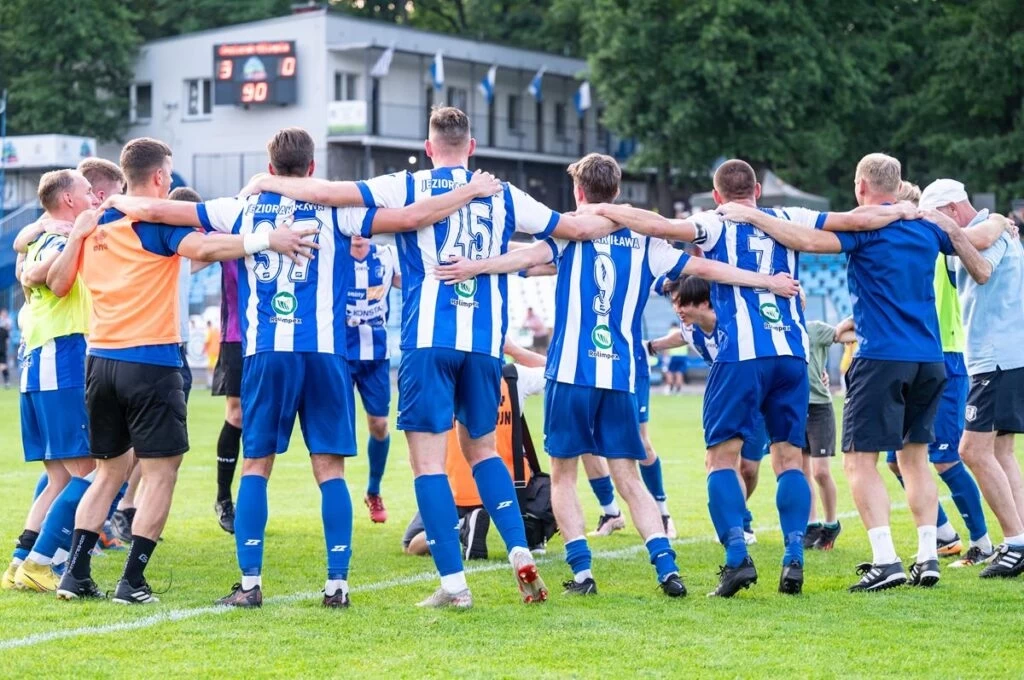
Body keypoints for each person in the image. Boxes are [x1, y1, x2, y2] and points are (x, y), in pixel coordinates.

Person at [239, 108, 627, 608]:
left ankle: (454, 584)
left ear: (428, 148)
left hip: (427, 342)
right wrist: (626, 218)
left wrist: (265, 181)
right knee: (484, 452)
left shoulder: (406, 185)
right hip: (484, 345)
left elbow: (329, 193)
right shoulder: (503, 193)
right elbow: (571, 229)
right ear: (472, 146)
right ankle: (517, 550)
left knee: (428, 464)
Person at [102, 128, 502, 609]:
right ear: (312, 168)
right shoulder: (340, 210)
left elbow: (161, 211)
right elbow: (413, 216)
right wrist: (468, 191)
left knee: (257, 465)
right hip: (327, 355)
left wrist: (114, 203)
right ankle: (337, 586)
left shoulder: (243, 207)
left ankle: (250, 584)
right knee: (330, 469)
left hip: (268, 353)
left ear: (270, 168)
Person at [437, 153, 800, 597]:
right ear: (618, 190)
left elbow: (523, 258)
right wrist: (767, 281)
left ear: (579, 191)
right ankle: (667, 569)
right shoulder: (644, 239)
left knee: (564, 474)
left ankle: (583, 574)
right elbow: (705, 268)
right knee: (628, 476)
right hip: (621, 374)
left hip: (570, 371)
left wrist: (471, 265)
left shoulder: (569, 230)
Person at [585, 158, 918, 597]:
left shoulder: (714, 221)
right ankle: (794, 556)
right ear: (757, 191)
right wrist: (903, 209)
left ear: (718, 195)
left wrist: (603, 209)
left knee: (720, 461)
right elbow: (856, 219)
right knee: (789, 461)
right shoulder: (789, 216)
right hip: (792, 353)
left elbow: (660, 226)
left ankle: (737, 558)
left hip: (741, 354)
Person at [717, 153, 1009, 592]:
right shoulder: (927, 226)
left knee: (859, 461)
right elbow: (978, 242)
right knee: (915, 459)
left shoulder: (865, 228)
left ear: (861, 187)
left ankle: (886, 560)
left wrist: (753, 216)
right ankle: (927, 556)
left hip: (881, 357)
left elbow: (807, 241)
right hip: (930, 358)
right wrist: (1001, 220)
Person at [52, 137, 318, 604]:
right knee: (161, 473)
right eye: (170, 172)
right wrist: (267, 239)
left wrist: (75, 236)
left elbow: (58, 283)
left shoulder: (94, 224)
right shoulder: (155, 222)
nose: (171, 179)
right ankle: (132, 581)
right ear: (159, 176)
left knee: (108, 474)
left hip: (100, 361)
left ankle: (75, 575)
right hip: (150, 361)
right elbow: (206, 248)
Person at [873, 180, 993, 565]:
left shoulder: (936, 243)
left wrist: (1000, 223)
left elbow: (974, 242)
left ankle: (983, 542)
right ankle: (944, 535)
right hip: (912, 355)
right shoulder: (907, 249)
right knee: (896, 460)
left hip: (946, 355)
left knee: (944, 456)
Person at [920, 179, 1024, 577]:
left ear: (950, 210)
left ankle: (1014, 543)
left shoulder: (990, 231)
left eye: (937, 218)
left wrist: (984, 223)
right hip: (1000, 356)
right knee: (1001, 452)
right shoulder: (987, 229)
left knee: (972, 451)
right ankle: (1020, 540)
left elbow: (981, 271)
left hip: (996, 357)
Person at [2, 170, 98, 592]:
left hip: (39, 362)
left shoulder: (39, 236)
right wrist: (39, 264)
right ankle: (41, 563)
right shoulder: (61, 239)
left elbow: (23, 256)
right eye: (87, 192)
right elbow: (44, 276)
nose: (93, 198)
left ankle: (18, 563)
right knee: (89, 472)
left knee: (59, 477)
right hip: (61, 359)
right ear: (68, 200)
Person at [646, 275, 767, 545]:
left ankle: (739, 515)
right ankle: (740, 523)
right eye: (674, 303)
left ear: (702, 302)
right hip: (724, 398)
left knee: (749, 467)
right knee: (724, 461)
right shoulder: (691, 327)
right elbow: (681, 336)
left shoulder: (734, 323)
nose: (677, 309)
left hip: (756, 396)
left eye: (681, 303)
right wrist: (652, 346)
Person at [403, 341, 547, 558]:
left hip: (458, 490)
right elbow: (556, 371)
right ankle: (529, 535)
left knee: (411, 542)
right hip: (512, 488)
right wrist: (513, 349)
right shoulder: (513, 376)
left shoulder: (442, 377)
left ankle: (463, 525)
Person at [346, 234, 401, 524]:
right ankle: (336, 494)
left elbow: (413, 281)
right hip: (339, 353)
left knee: (379, 425)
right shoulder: (335, 254)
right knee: (337, 428)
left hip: (376, 355)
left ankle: (373, 491)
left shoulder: (386, 256)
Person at [801, 297, 848, 551]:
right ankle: (812, 525)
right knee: (802, 471)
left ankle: (831, 524)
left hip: (819, 407)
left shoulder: (815, 329)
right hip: (794, 408)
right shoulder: (778, 333)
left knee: (820, 471)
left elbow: (843, 335)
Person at [204, 320, 220, 389]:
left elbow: (207, 341)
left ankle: (211, 383)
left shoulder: (209, 331)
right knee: (215, 367)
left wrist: (204, 350)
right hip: (218, 351)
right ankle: (216, 383)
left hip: (211, 352)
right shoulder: (217, 331)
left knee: (210, 368)